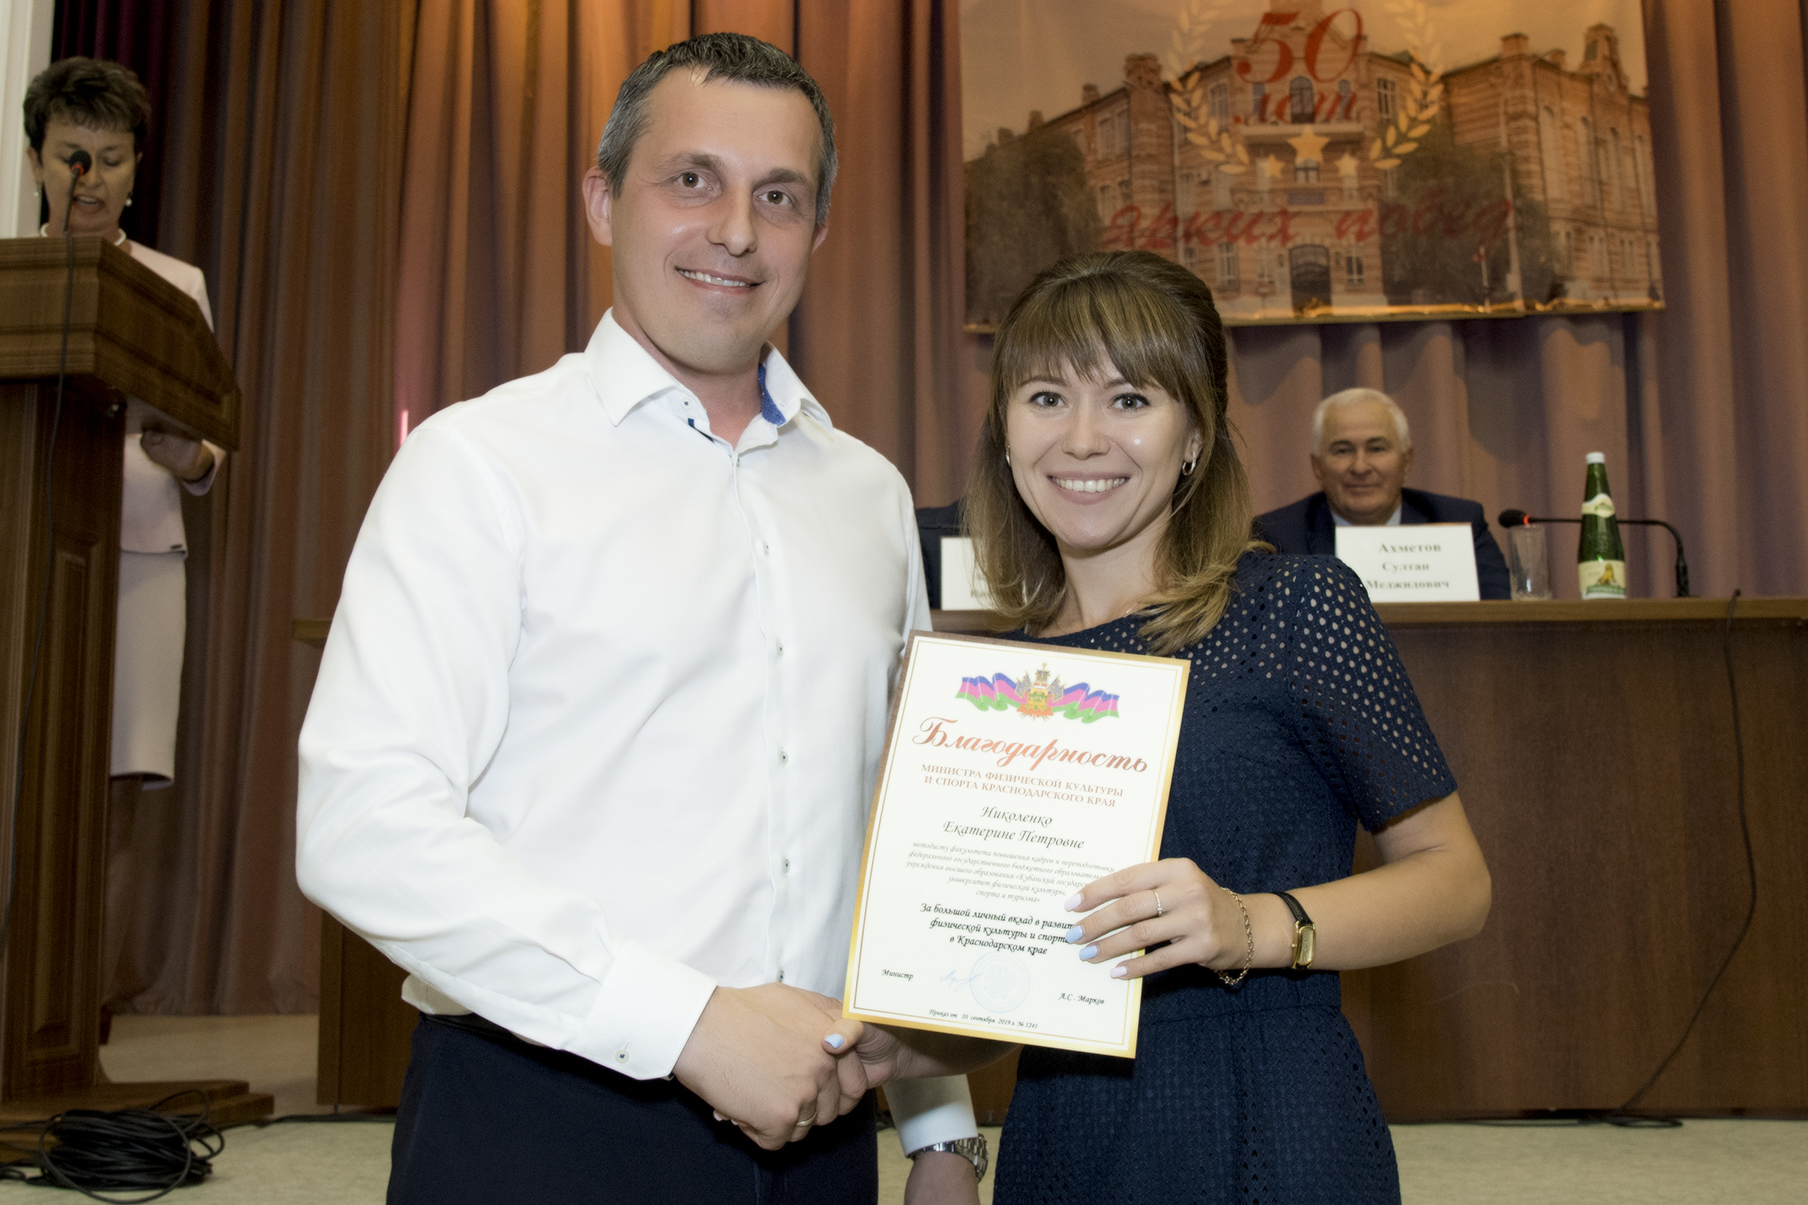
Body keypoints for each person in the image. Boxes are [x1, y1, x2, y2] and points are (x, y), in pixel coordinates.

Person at [296, 34, 983, 1205]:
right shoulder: (479, 464)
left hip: (823, 1126)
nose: (736, 232)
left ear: (817, 232)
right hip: (542, 1116)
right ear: (603, 200)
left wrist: (939, 1128)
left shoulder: (867, 492)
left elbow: (890, 826)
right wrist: (689, 1021)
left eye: (779, 196)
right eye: (692, 180)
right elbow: (361, 825)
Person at [960, 252, 1492, 1203]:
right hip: (1061, 1133)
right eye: (1045, 397)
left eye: (1129, 399)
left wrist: (1252, 924)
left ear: (1196, 435)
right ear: (1004, 431)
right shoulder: (994, 686)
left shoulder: (1293, 609)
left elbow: (1456, 881)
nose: (1081, 438)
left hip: (1265, 1119)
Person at [23, 57, 224, 1012]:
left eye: (110, 159)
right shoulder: (9, 274)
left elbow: (210, 445)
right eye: (74, 157)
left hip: (140, 561)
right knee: (23, 785)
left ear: (136, 167)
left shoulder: (174, 287)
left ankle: (81, 1018)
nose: (91, 178)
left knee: (113, 798)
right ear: (36, 162)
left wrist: (190, 455)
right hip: (23, 559)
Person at [1255, 387, 1512, 599]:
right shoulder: (1277, 538)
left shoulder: (1459, 521)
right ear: (1317, 466)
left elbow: (1502, 617)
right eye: (1343, 450)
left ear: (1407, 461)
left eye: (1377, 448)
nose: (1360, 467)